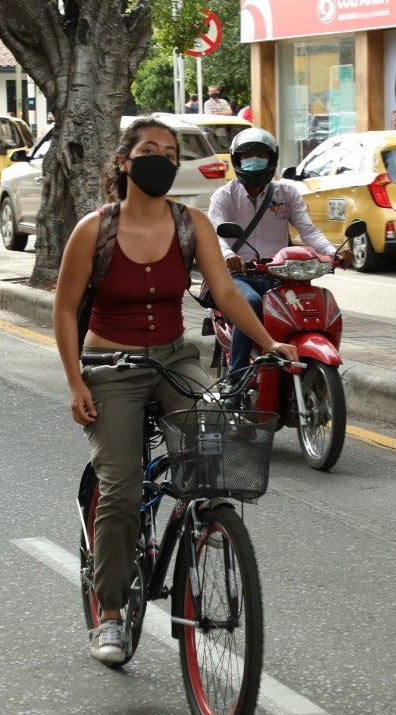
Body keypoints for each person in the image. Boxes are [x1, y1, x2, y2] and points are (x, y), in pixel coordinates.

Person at [52, 118, 297, 665]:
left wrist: (270, 344)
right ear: (124, 162)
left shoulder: (192, 226)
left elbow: (227, 293)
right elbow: (66, 310)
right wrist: (74, 381)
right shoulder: (93, 230)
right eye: (148, 150)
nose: (160, 158)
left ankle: (204, 525)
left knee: (214, 450)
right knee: (122, 487)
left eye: (170, 151)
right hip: (109, 366)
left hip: (175, 360)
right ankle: (111, 614)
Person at [207, 128, 353, 376]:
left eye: (261, 155)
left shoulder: (287, 194)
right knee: (251, 303)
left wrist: (334, 252)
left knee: (307, 307)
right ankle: (237, 375)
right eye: (247, 155)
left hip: (279, 274)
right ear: (237, 160)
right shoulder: (224, 197)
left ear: (272, 158)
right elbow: (215, 236)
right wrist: (228, 255)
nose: (254, 160)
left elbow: (308, 231)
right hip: (237, 276)